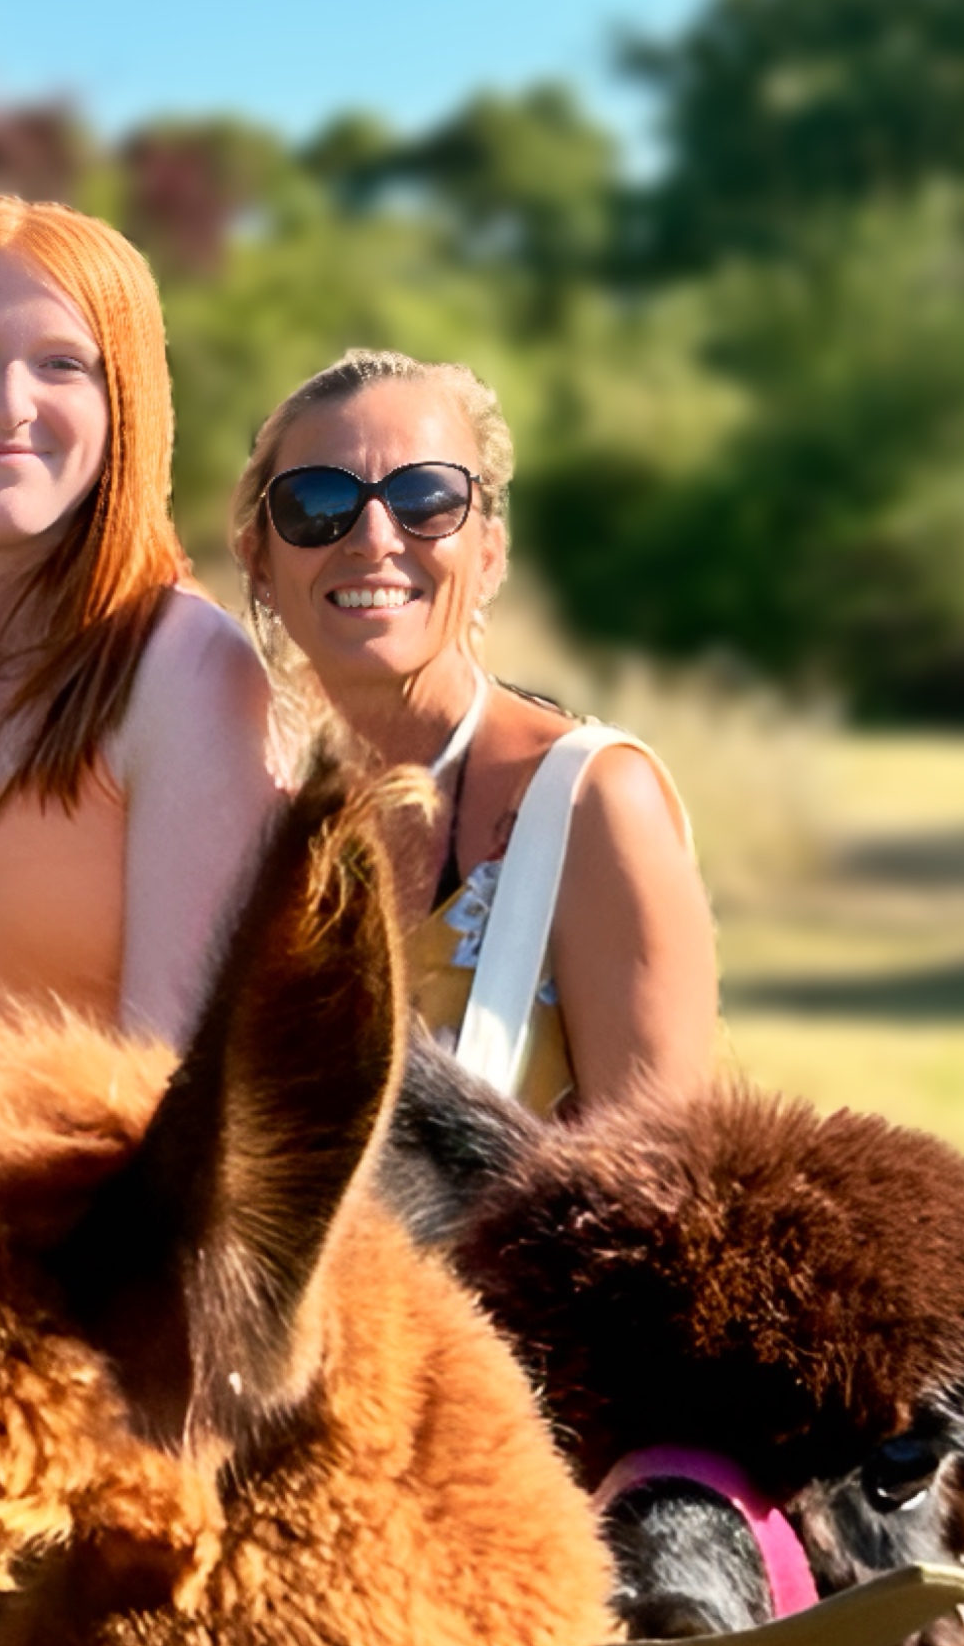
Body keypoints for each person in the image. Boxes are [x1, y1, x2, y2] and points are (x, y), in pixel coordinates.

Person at [0, 198, 274, 1040]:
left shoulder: (185, 669)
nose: (10, 404)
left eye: (63, 365)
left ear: (124, 406)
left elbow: (168, 1077)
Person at [226, 347, 717, 1113]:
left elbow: (665, 1198)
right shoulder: (242, 796)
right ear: (258, 560)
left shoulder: (591, 804)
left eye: (426, 498)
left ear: (488, 555)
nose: (373, 537)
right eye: (318, 502)